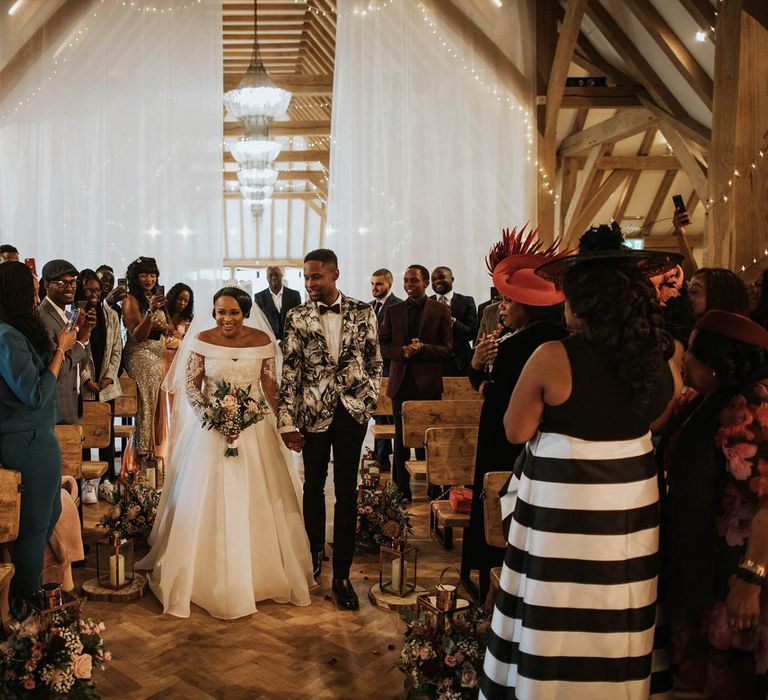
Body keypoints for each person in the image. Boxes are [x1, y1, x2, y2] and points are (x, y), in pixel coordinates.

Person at [480, 226, 683, 700]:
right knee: (616, 599)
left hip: (563, 501)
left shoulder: (554, 356)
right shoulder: (665, 356)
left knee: (557, 602)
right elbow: (658, 419)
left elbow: (515, 430)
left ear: (584, 302)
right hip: (629, 500)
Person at [136, 287, 313, 619]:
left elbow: (270, 386)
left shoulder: (262, 340)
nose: (225, 318)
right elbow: (191, 385)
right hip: (210, 431)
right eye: (220, 311)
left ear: (245, 312)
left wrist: (284, 424)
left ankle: (261, 573)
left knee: (260, 498)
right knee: (205, 497)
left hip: (255, 429)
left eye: (232, 312)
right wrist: (213, 417)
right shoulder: (201, 338)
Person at [661, 311, 768, 699]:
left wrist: (751, 580)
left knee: (726, 682)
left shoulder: (748, 406)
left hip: (732, 573)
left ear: (717, 360)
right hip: (698, 566)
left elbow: (766, 502)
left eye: (690, 351)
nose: (684, 357)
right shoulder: (701, 401)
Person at [462, 226, 568, 601]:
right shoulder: (558, 339)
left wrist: (482, 376)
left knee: (497, 511)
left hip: (507, 443)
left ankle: (492, 578)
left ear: (529, 303)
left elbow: (500, 394)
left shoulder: (522, 345)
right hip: (536, 442)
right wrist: (478, 369)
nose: (502, 307)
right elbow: (485, 381)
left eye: (508, 301)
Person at [278, 249, 382, 611]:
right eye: (306, 278)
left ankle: (342, 576)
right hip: (312, 412)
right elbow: (289, 370)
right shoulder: (296, 316)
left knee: (347, 492)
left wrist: (368, 402)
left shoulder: (363, 311)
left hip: (352, 413)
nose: (310, 284)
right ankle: (312, 556)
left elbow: (374, 361)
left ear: (335, 274)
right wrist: (286, 420)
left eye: (316, 277)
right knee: (313, 486)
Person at [0, 262, 77, 601]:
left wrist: (72, 345)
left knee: (49, 514)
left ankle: (25, 596)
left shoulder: (16, 330)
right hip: (27, 437)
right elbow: (34, 393)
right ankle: (24, 609)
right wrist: (61, 349)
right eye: (33, 288)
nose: (38, 294)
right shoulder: (6, 337)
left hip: (38, 434)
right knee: (33, 527)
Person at [379, 265, 452, 502]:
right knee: (401, 441)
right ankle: (401, 491)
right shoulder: (393, 311)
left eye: (414, 281)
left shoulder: (440, 310)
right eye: (406, 281)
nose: (409, 285)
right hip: (401, 383)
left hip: (428, 384)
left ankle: (434, 488)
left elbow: (448, 349)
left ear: (426, 283)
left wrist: (424, 348)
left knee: (430, 440)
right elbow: (382, 347)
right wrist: (403, 352)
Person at [75, 269, 123, 490]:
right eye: (89, 290)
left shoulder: (111, 314)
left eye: (97, 289)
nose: (94, 293)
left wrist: (109, 376)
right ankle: (87, 483)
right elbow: (75, 351)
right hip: (83, 385)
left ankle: (108, 479)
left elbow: (116, 348)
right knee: (84, 434)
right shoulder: (75, 315)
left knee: (108, 433)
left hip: (106, 385)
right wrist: (86, 379)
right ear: (81, 291)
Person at [121, 257, 170, 459]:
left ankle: (154, 454)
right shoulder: (130, 300)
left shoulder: (155, 297)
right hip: (141, 358)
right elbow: (137, 335)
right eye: (144, 275)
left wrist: (163, 326)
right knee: (145, 408)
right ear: (135, 277)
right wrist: (150, 313)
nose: (149, 279)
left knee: (156, 409)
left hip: (157, 359)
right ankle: (141, 458)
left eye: (152, 274)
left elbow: (171, 328)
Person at [38, 259, 96, 425]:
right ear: (46, 285)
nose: (70, 287)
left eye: (73, 282)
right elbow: (55, 372)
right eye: (62, 282)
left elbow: (80, 366)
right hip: (55, 411)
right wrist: (79, 343)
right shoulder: (42, 318)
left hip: (71, 405)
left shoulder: (69, 316)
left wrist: (85, 336)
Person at [155, 283, 194, 460]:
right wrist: (178, 342)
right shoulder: (163, 316)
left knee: (178, 408)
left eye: (186, 300)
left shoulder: (189, 321)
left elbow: (190, 344)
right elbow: (160, 342)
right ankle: (161, 450)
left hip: (180, 367)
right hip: (163, 363)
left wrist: (180, 343)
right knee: (162, 408)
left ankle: (179, 450)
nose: (183, 303)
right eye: (180, 299)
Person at [370, 268, 402, 469]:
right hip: (373, 368)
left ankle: (382, 457)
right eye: (372, 284)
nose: (375, 288)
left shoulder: (398, 306)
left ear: (389, 285)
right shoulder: (370, 306)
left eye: (379, 284)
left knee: (386, 412)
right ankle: (380, 454)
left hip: (390, 367)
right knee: (378, 411)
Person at [430, 266, 477, 376]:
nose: (437, 282)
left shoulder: (467, 302)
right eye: (434, 279)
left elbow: (471, 333)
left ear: (452, 279)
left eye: (441, 278)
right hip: (433, 364)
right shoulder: (427, 302)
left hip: (460, 362)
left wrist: (451, 321)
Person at [253, 266, 301, 341]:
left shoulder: (294, 295)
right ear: (267, 278)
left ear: (281, 276)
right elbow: (260, 322)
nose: (274, 278)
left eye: (276, 275)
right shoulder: (259, 297)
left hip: (292, 339)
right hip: (269, 340)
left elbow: (298, 319)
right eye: (270, 276)